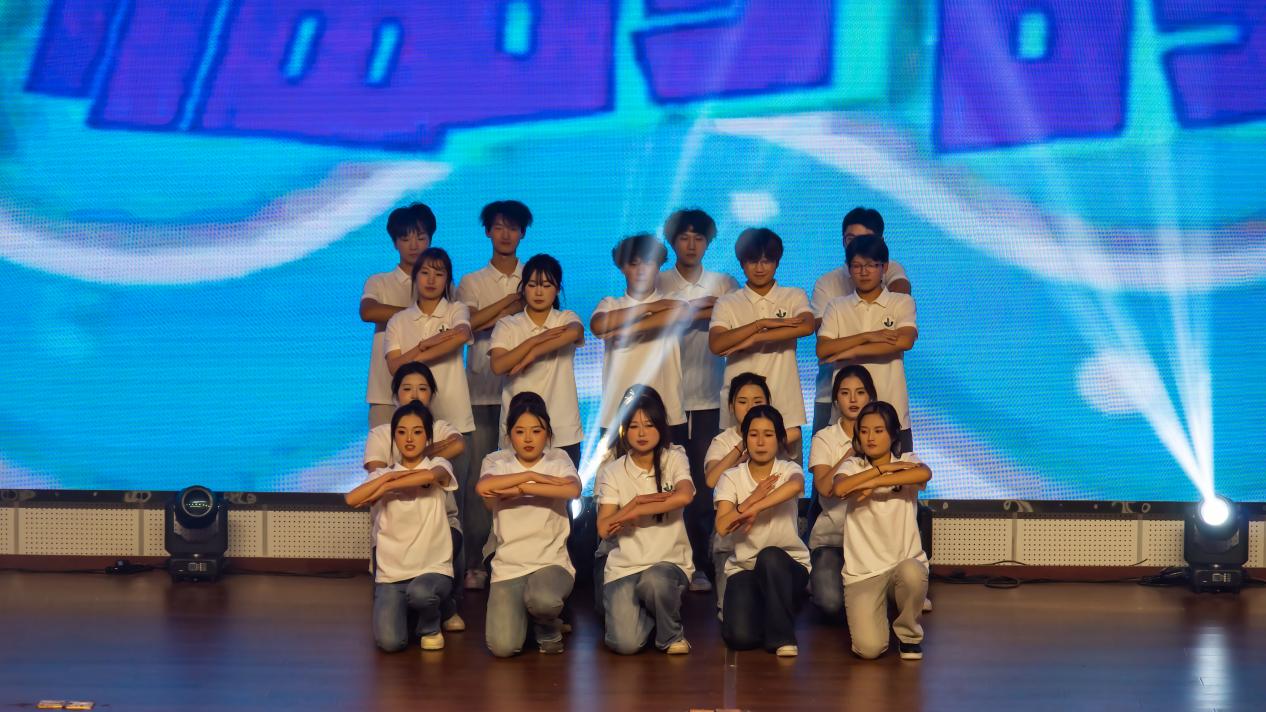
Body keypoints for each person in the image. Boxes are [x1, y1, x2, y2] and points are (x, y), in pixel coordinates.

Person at [384, 247, 480, 587]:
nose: (431, 279)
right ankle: (408, 575)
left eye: (439, 274)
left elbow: (460, 337)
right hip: (410, 428)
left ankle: (455, 580)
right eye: (425, 272)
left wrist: (418, 353)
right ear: (415, 277)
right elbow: (394, 367)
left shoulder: (456, 309)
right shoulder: (399, 321)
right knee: (413, 503)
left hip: (456, 419)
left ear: (448, 280)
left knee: (457, 503)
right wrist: (429, 344)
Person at [657, 208, 739, 593]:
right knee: (668, 482)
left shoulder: (725, 283)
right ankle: (670, 561)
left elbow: (730, 318)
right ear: (672, 241)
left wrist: (686, 311)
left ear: (708, 243)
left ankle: (703, 565)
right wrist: (704, 308)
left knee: (707, 489)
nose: (691, 245)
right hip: (666, 399)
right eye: (684, 237)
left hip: (710, 397)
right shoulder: (658, 281)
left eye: (699, 238)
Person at [455, 200, 532, 590]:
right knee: (480, 481)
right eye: (498, 227)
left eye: (513, 227)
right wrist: (509, 304)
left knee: (524, 480)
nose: (505, 234)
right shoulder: (471, 281)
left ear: (522, 233)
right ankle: (474, 562)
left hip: (525, 394)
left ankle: (518, 557)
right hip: (482, 394)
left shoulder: (534, 275)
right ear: (488, 231)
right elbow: (465, 325)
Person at [363, 361, 467, 632]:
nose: (414, 395)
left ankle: (445, 606)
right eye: (407, 388)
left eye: (422, 388)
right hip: (392, 530)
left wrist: (415, 454)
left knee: (444, 550)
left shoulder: (440, 427)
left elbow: (457, 445)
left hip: (439, 525)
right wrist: (416, 455)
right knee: (391, 636)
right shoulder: (380, 433)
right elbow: (374, 477)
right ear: (395, 394)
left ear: (432, 394)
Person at [345, 401, 457, 652]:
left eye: (417, 432)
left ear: (428, 437)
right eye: (402, 432)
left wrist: (387, 486)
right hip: (392, 574)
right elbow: (351, 499)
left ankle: (431, 624)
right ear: (394, 437)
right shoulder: (381, 475)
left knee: (421, 593)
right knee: (390, 643)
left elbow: (430, 477)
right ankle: (411, 611)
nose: (409, 439)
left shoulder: (438, 465)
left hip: (432, 568)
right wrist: (387, 477)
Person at [476, 392, 581, 657]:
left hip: (550, 562)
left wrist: (520, 488)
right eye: (520, 431)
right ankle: (529, 619)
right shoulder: (496, 461)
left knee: (543, 601)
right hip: (508, 566)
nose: (528, 438)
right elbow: (484, 488)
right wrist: (531, 476)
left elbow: (572, 489)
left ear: (547, 432)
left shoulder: (558, 458)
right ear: (509, 434)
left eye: (536, 430)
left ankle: (547, 626)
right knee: (503, 648)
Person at [595, 386, 695, 655]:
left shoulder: (674, 458)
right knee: (624, 645)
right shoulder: (613, 471)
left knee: (655, 582)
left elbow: (684, 495)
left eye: (649, 425)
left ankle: (671, 635)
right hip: (625, 567)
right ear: (624, 430)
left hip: (668, 563)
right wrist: (632, 505)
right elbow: (604, 527)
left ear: (661, 426)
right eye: (634, 426)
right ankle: (652, 612)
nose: (641, 433)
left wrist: (639, 510)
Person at [834, 401, 932, 660]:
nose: (870, 437)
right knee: (869, 650)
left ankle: (908, 635)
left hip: (903, 563)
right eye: (864, 431)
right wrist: (882, 469)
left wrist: (874, 482)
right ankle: (880, 613)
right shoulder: (852, 466)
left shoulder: (907, 461)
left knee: (912, 572)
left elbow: (924, 474)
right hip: (864, 573)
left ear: (893, 434)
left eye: (878, 431)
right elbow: (840, 488)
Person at [714, 405, 811, 656]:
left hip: (789, 565)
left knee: (770, 556)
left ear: (779, 439)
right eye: (753, 434)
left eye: (768, 435)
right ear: (745, 439)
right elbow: (722, 526)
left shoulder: (788, 469)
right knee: (739, 638)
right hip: (745, 567)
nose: (760, 442)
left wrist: (755, 507)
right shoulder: (731, 477)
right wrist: (750, 500)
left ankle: (783, 639)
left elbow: (795, 486)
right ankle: (769, 610)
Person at [809, 207, 911, 436]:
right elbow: (825, 345)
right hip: (832, 393)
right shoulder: (827, 284)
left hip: (886, 397)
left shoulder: (890, 269)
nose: (857, 244)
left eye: (865, 238)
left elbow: (901, 325)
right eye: (850, 238)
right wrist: (871, 337)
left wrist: (849, 350)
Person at [709, 228, 814, 438]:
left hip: (785, 405)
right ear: (742, 263)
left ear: (777, 262)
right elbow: (717, 344)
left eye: (766, 261)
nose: (759, 268)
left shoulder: (793, 295)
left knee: (786, 459)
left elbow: (806, 326)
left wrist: (756, 338)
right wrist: (760, 324)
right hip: (738, 408)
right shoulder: (727, 302)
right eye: (752, 261)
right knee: (736, 460)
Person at [489, 254, 585, 465]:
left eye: (547, 285)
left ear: (557, 289)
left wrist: (533, 354)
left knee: (563, 485)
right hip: (517, 431)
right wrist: (534, 341)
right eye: (532, 285)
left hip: (563, 430)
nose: (539, 292)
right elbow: (498, 365)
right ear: (523, 288)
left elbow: (575, 332)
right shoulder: (507, 325)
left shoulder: (566, 318)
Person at [590, 234, 687, 439]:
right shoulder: (611, 304)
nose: (641, 270)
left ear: (659, 266)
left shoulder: (673, 300)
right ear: (622, 268)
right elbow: (598, 326)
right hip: (617, 415)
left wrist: (625, 329)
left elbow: (680, 313)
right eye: (634, 264)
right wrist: (649, 307)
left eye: (649, 263)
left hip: (667, 412)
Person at [806, 365, 876, 621]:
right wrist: (852, 451)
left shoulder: (883, 435)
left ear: (871, 397)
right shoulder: (825, 438)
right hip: (832, 539)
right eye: (845, 393)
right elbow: (825, 487)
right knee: (831, 604)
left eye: (860, 392)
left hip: (873, 540)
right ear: (836, 400)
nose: (853, 399)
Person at [360, 203, 435, 428]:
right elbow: (368, 311)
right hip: (384, 391)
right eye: (405, 239)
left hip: (428, 392)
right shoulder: (379, 282)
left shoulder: (441, 283)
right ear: (394, 242)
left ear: (430, 240)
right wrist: (417, 314)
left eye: (420, 238)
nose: (414, 246)